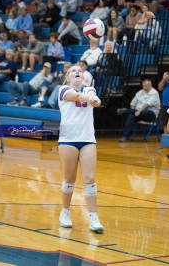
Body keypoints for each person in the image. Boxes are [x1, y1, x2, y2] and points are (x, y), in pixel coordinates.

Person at [58, 65, 104, 232]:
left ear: (84, 78)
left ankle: (93, 218)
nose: (77, 72)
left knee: (90, 179)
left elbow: (94, 98)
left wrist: (95, 99)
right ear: (68, 78)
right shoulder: (63, 90)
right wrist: (90, 98)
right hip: (67, 140)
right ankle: (65, 212)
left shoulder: (90, 89)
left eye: (80, 71)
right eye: (73, 71)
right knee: (69, 178)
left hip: (87, 140)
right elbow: (77, 96)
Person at [158, 60, 169, 134]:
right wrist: (163, 79)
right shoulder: (168, 75)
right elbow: (160, 88)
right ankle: (166, 143)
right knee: (165, 123)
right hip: (166, 103)